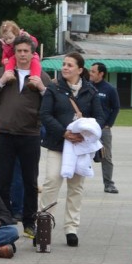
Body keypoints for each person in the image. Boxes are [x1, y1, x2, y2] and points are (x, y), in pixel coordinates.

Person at [0, 35, 50, 239]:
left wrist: (42, 88)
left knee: (30, 181)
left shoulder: (41, 75)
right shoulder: (4, 72)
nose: (22, 55)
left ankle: (29, 222)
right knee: (3, 181)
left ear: (32, 54)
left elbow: (52, 104)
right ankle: (3, 219)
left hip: (30, 135)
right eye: (19, 51)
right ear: (14, 53)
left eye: (26, 51)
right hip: (5, 134)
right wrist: (2, 81)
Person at [39, 52, 105, 247]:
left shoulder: (90, 91)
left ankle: (71, 228)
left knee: (76, 187)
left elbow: (100, 117)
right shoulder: (54, 88)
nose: (65, 68)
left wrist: (86, 134)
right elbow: (45, 114)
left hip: (80, 147)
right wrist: (63, 133)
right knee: (52, 181)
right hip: (57, 144)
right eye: (64, 64)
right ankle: (43, 225)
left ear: (80, 69)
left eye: (69, 65)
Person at [89, 62, 120, 194]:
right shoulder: (87, 87)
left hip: (103, 129)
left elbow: (116, 107)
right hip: (88, 129)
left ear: (101, 74)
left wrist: (109, 124)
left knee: (106, 157)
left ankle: (108, 184)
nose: (90, 73)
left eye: (93, 71)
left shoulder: (109, 89)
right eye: (90, 71)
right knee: (81, 155)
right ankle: (75, 183)